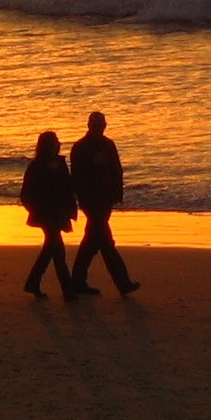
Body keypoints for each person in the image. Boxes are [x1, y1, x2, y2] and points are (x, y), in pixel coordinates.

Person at [69, 111, 139, 296]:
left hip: (106, 198)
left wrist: (118, 193)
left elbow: (117, 170)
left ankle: (77, 281)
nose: (98, 128)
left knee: (92, 241)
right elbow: (76, 175)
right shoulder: (80, 147)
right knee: (106, 242)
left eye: (100, 125)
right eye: (95, 125)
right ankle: (123, 283)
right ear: (89, 126)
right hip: (90, 199)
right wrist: (93, 164)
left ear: (105, 126)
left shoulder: (109, 144)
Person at [19, 129, 78, 299]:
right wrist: (37, 210)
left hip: (59, 213)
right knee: (58, 250)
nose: (59, 144)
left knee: (50, 249)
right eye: (55, 142)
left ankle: (33, 282)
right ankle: (68, 290)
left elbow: (68, 188)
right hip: (45, 214)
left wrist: (70, 209)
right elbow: (26, 194)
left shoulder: (60, 163)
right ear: (47, 146)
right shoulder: (36, 166)